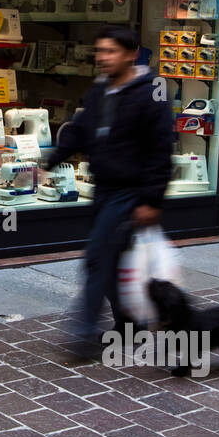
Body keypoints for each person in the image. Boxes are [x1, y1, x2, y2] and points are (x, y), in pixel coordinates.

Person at [42, 24, 173, 355]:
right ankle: (131, 328)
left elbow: (160, 151)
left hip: (130, 193)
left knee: (97, 258)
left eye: (110, 51)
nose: (102, 57)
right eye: (100, 51)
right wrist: (51, 160)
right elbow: (80, 131)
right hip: (103, 190)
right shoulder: (100, 90)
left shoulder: (151, 92)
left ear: (131, 55)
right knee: (114, 263)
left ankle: (83, 335)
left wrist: (150, 200)